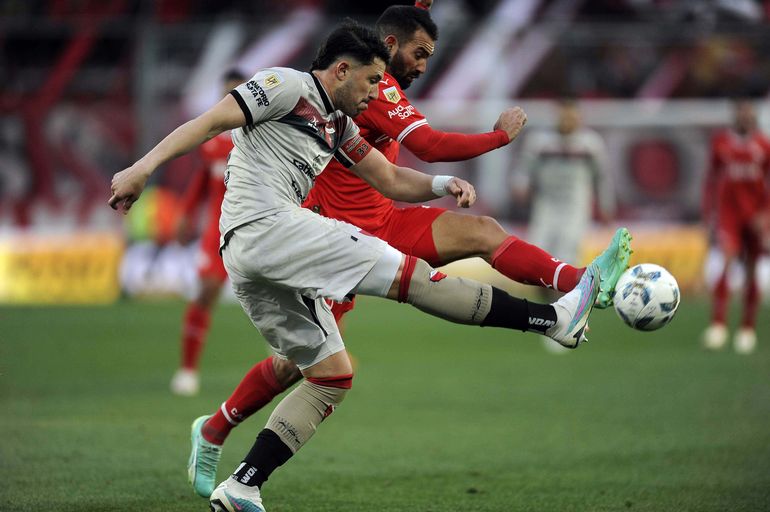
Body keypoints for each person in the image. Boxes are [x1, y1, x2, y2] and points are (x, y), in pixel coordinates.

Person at [110, 21, 630, 512]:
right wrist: (142, 168)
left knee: (330, 375)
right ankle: (555, 320)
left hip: (252, 259)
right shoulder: (285, 86)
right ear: (340, 69)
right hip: (271, 227)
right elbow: (209, 122)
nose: (375, 92)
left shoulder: (338, 124)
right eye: (371, 80)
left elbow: (389, 178)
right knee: (414, 280)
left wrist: (442, 186)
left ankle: (242, 485)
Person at [513, 99, 614, 351]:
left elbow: (602, 178)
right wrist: (520, 187)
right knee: (534, 268)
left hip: (574, 211)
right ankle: (549, 315)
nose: (568, 121)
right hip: (545, 209)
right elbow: (523, 171)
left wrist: (606, 205)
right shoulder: (540, 142)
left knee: (566, 267)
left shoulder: (590, 144)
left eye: (573, 116)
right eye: (564, 116)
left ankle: (565, 322)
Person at [170, 70, 246, 396]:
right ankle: (188, 370)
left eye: (238, 93)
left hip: (257, 230)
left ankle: (291, 356)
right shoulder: (212, 139)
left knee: (285, 292)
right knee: (205, 294)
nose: (232, 100)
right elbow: (201, 182)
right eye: (227, 93)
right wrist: (186, 216)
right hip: (217, 232)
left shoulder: (265, 135)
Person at [701, 100, 770, 354]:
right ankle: (718, 325)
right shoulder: (721, 142)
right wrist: (708, 214)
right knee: (726, 262)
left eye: (749, 113)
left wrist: (766, 216)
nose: (745, 118)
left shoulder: (764, 145)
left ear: (754, 117)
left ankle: (747, 328)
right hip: (729, 216)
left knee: (752, 269)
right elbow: (711, 179)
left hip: (755, 217)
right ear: (735, 116)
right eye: (741, 113)